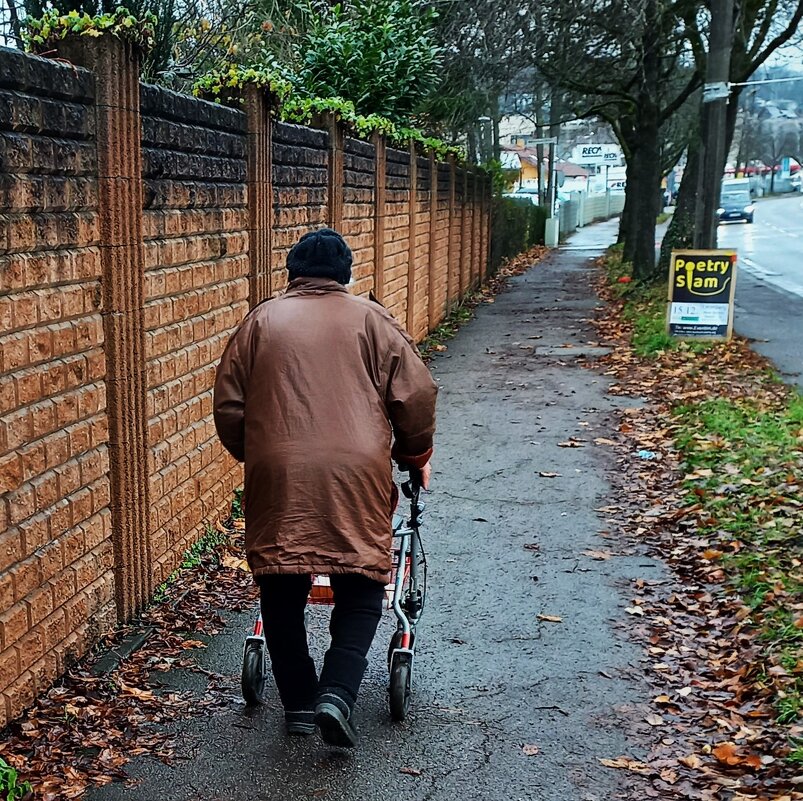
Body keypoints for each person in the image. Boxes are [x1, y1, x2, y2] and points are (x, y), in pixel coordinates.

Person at [213, 228, 437, 748]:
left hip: (278, 469)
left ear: (291, 274)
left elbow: (229, 406)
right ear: (346, 275)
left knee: (281, 582)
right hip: (355, 470)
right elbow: (417, 394)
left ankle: (297, 704)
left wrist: (263, 453)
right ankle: (337, 694)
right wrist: (413, 454)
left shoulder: (260, 321)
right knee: (361, 583)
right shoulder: (372, 320)